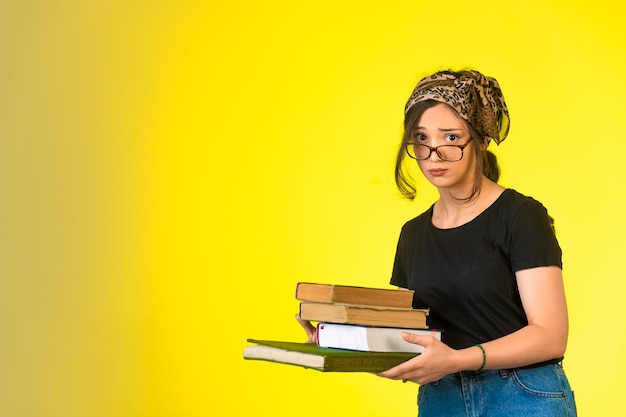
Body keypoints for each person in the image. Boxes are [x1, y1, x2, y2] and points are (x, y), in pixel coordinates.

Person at [297, 69, 577, 416]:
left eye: (450, 137)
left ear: (482, 139)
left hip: (521, 395)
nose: (434, 153)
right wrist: (337, 342)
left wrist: (458, 359)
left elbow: (551, 335)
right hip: (441, 400)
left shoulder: (521, 216)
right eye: (422, 138)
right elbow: (404, 339)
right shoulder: (413, 234)